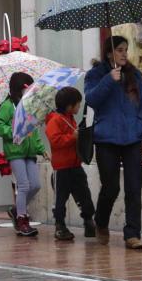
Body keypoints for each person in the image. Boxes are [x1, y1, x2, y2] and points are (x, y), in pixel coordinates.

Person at [85, 36, 142, 250]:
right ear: (109, 53)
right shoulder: (96, 75)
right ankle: (101, 222)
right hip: (107, 138)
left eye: (126, 49)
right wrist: (108, 80)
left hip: (132, 137)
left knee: (134, 188)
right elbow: (92, 99)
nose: (124, 53)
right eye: (119, 50)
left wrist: (140, 123)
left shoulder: (134, 75)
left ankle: (132, 234)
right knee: (111, 187)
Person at [0, 72, 48, 237]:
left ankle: (17, 209)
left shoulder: (29, 106)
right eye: (28, 87)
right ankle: (22, 219)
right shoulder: (8, 106)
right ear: (20, 89)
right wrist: (13, 131)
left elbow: (34, 130)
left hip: (30, 152)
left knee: (36, 185)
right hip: (15, 152)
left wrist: (40, 148)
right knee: (23, 185)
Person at [45, 86, 96, 241]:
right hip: (62, 168)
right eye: (77, 104)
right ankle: (60, 226)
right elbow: (55, 141)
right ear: (69, 106)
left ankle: (88, 220)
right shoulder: (55, 120)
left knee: (84, 195)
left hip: (75, 165)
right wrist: (72, 137)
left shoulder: (70, 119)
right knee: (60, 199)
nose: (79, 107)